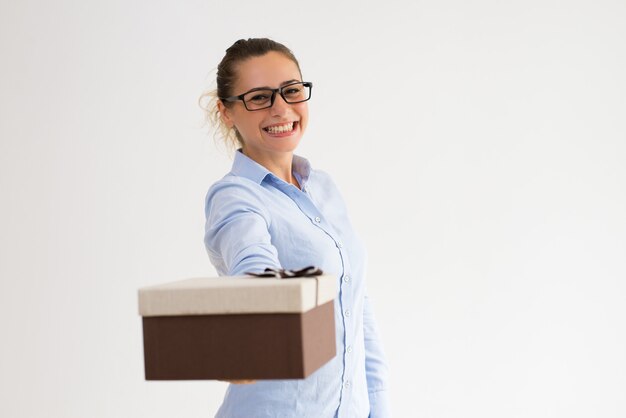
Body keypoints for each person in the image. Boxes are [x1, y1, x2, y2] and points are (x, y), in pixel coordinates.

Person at [200, 38, 391, 418]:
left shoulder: (324, 188)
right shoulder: (236, 197)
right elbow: (255, 267)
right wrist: (250, 326)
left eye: (291, 91)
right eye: (259, 97)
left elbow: (356, 307)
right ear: (226, 112)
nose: (281, 108)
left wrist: (378, 408)